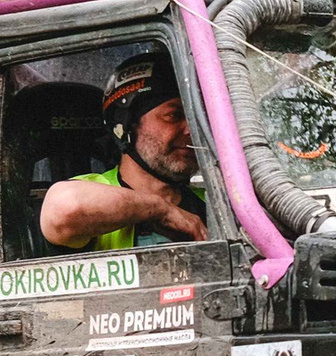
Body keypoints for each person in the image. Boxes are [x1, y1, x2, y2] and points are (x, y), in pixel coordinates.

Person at [39, 51, 210, 250]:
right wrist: (161, 210)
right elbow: (64, 208)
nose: (191, 129)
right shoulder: (92, 190)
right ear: (126, 127)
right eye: (173, 115)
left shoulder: (210, 203)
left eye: (196, 117)